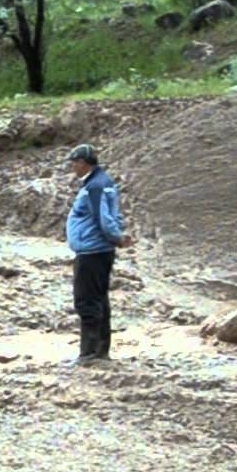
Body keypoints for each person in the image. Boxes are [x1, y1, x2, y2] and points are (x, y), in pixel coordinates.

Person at [64, 143, 131, 365]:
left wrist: (116, 238)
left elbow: (104, 219)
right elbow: (112, 216)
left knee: (86, 301)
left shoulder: (95, 186)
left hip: (92, 251)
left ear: (83, 163)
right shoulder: (103, 182)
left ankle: (89, 353)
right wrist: (116, 238)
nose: (73, 167)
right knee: (99, 299)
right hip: (99, 250)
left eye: (74, 163)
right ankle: (100, 351)